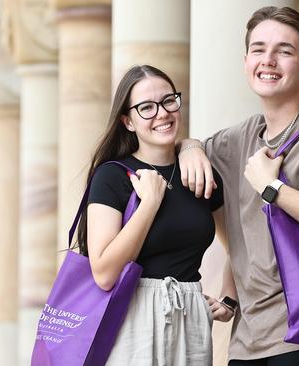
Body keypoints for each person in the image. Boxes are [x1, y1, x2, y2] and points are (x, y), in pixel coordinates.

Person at [178, 6, 299, 366]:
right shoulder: (237, 140)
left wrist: (273, 189)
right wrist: (190, 146)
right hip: (250, 336)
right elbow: (242, 230)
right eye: (258, 49)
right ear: (245, 61)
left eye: (284, 51)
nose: (268, 60)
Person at [78, 64, 236, 366]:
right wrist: (149, 204)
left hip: (190, 315)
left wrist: (229, 298)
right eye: (146, 108)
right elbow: (104, 273)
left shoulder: (198, 172)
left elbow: (238, 245)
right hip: (132, 317)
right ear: (128, 121)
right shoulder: (112, 177)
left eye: (168, 101)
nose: (162, 113)